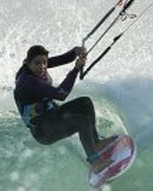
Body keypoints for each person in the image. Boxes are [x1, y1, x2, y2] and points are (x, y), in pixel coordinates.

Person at [13, 44, 119, 173]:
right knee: (82, 121)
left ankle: (96, 143)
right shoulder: (27, 81)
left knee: (85, 102)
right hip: (43, 131)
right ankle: (95, 162)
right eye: (37, 63)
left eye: (45, 63)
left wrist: (75, 51)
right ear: (27, 63)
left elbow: (61, 59)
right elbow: (61, 94)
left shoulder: (35, 67)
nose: (42, 66)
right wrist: (76, 69)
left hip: (51, 117)